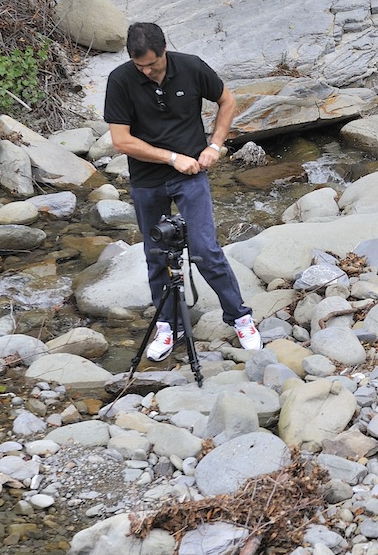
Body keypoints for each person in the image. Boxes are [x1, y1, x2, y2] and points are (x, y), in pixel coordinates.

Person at [104, 21, 261, 360]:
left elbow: (227, 100)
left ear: (164, 51)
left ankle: (240, 317)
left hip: (191, 177)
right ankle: (167, 326)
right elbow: (121, 141)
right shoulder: (120, 80)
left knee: (205, 249)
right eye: (139, 65)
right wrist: (172, 158)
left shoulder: (190, 66)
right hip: (147, 180)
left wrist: (215, 146)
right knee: (156, 255)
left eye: (152, 64)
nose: (146, 71)